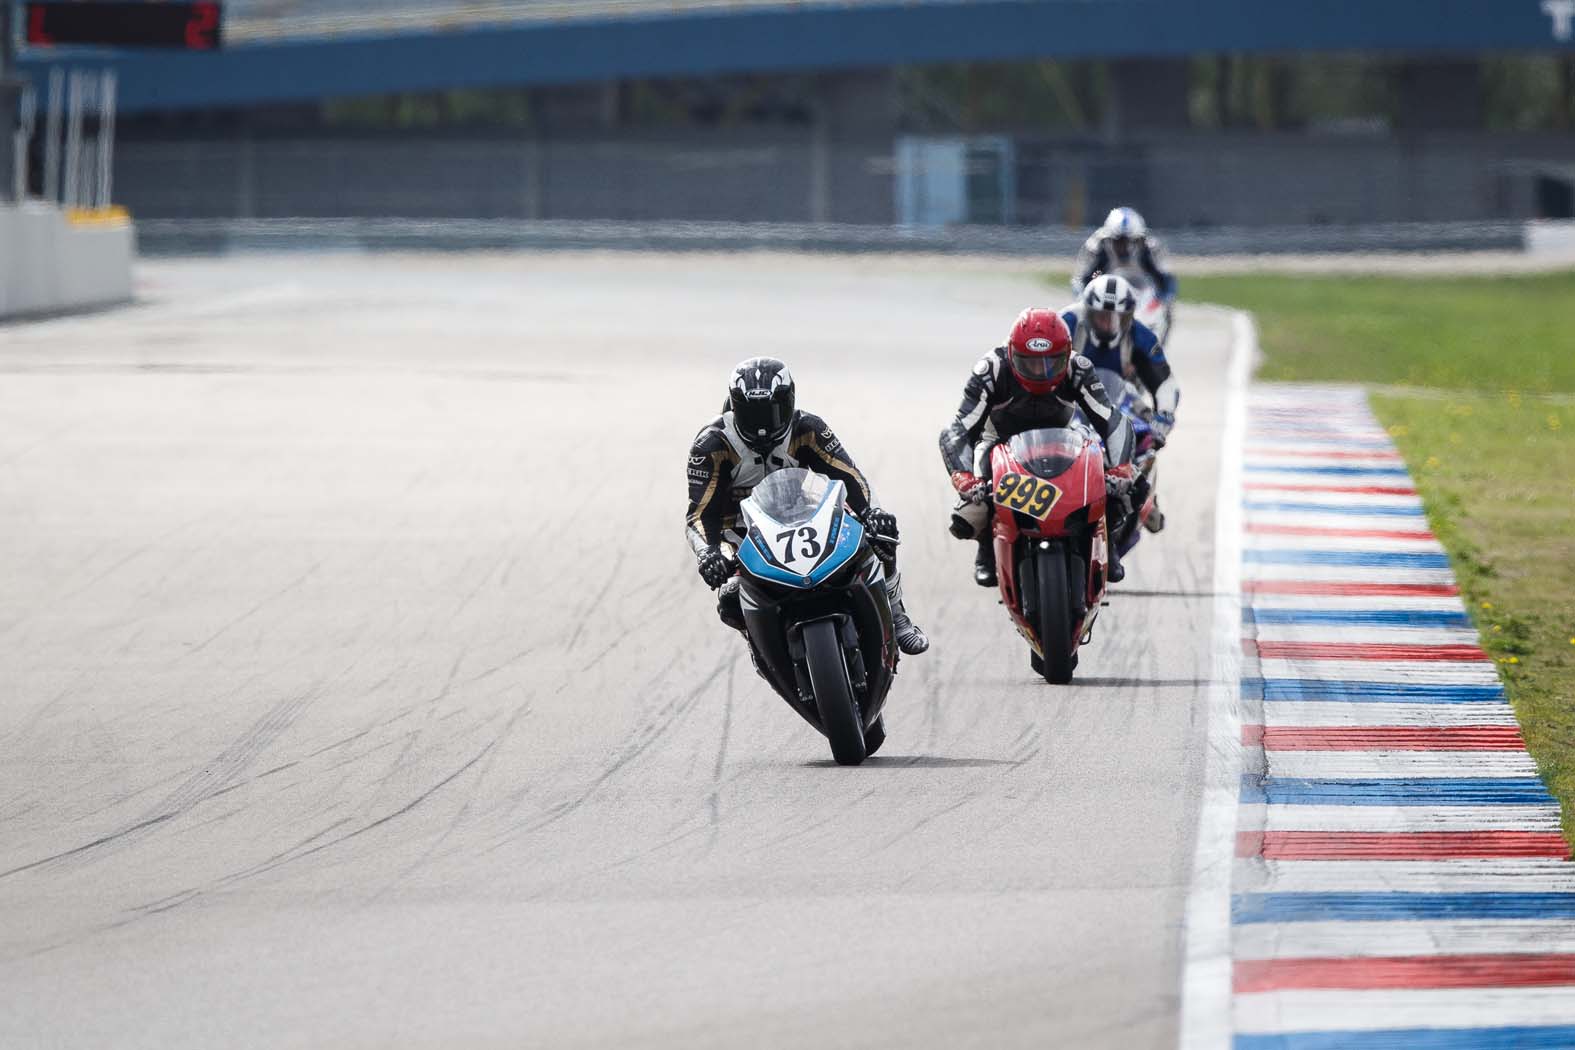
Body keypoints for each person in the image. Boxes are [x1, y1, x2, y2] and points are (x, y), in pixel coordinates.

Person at [686, 356, 929, 656]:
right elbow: (698, 514)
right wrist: (707, 553)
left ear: (790, 402)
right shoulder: (712, 445)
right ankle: (761, 645)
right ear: (735, 408)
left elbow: (851, 478)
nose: (763, 427)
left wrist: (872, 514)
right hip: (740, 535)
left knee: (880, 535)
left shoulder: (808, 428)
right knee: (730, 597)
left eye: (772, 413)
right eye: (752, 414)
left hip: (805, 517)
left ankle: (898, 615)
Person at [939, 308, 1138, 588]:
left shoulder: (1078, 368)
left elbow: (1111, 420)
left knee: (1107, 469)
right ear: (1011, 353)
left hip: (1061, 437)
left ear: (1066, 355)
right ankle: (986, 550)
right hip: (1000, 440)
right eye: (1029, 363)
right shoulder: (990, 370)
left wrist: (1121, 467)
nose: (1040, 372)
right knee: (981, 474)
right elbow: (960, 427)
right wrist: (963, 475)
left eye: (1050, 363)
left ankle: (1108, 544)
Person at [1063, 274, 1179, 533]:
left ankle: (1142, 501)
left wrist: (1164, 416)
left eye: (1116, 317)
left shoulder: (1141, 335)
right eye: (1101, 315)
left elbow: (1165, 382)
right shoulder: (1067, 323)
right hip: (1068, 404)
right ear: (1088, 311)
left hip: (1121, 403)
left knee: (1147, 444)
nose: (1108, 323)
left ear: (1128, 317)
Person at [1070, 207, 1178, 315]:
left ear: (1139, 240)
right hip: (1108, 293)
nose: (1124, 247)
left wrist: (1160, 301)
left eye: (1129, 241)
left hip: (1142, 294)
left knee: (1161, 311)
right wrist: (1088, 301)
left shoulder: (1148, 250)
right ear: (1109, 239)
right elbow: (1081, 281)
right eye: (1118, 241)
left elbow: (1166, 281)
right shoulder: (1099, 250)